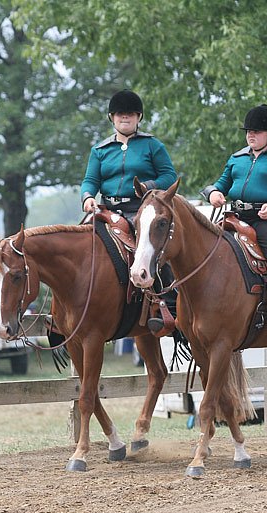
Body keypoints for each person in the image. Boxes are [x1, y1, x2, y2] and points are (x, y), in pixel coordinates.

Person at [201, 104, 267, 340]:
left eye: (256, 131)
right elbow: (220, 184)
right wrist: (213, 193)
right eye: (248, 131)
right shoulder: (236, 159)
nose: (250, 135)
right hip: (235, 217)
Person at [80, 89, 178, 333]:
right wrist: (88, 196)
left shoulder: (152, 145)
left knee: (152, 246)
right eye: (120, 114)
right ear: (112, 118)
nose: (125, 118)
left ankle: (170, 303)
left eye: (131, 114)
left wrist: (149, 187)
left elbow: (169, 176)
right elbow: (90, 179)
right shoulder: (100, 151)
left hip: (141, 209)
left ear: (138, 117)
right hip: (108, 209)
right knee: (79, 243)